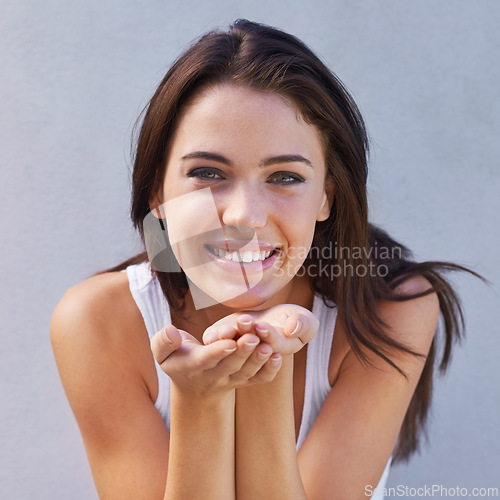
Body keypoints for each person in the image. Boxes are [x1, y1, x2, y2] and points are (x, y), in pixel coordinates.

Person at [50, 19, 477, 499]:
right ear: (156, 192)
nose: (246, 216)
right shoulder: (99, 321)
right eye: (209, 172)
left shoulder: (392, 307)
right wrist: (200, 400)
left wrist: (262, 375)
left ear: (326, 198)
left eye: (285, 177)